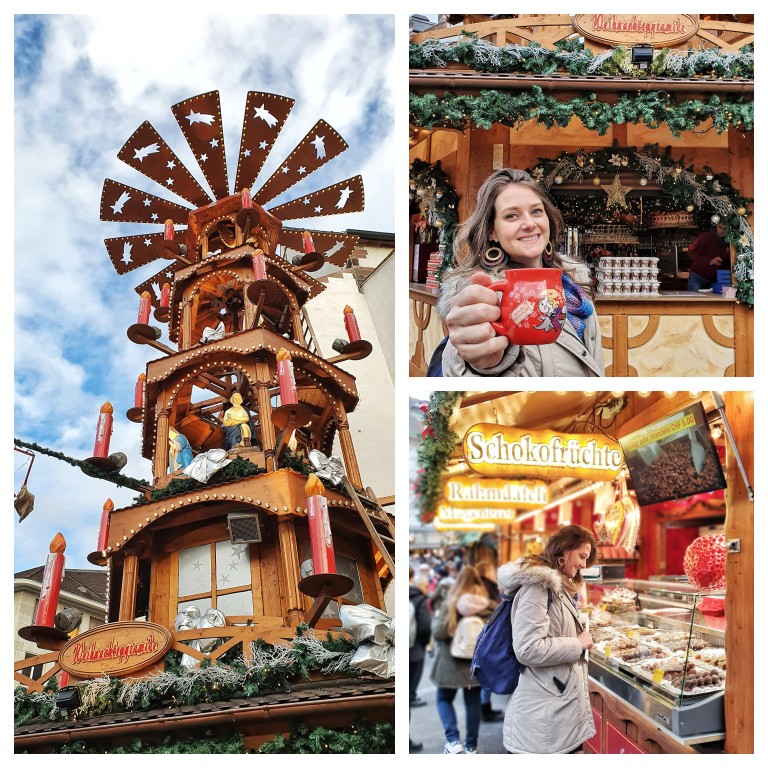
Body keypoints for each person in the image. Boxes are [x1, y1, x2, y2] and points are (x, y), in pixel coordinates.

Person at [437, 168, 603, 377]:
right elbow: (464, 373)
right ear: (492, 231)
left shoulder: (573, 283)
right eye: (511, 216)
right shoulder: (484, 298)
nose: (529, 224)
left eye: (536, 211)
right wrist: (482, 365)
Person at [497, 525, 598, 754]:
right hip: (541, 723)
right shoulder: (538, 586)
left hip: (555, 711)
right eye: (582, 556)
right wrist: (578, 643)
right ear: (563, 552)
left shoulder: (556, 585)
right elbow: (528, 648)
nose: (584, 564)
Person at [430, 565, 494, 754]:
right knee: (473, 702)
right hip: (475, 665)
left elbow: (438, 632)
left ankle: (453, 742)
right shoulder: (487, 606)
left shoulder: (451, 602)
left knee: (443, 698)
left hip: (449, 662)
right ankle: (471, 746)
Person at [409, 567, 432, 752]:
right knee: (407, 696)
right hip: (415, 651)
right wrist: (422, 643)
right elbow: (425, 626)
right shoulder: (419, 598)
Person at [686, 223, 730, 290]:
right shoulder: (705, 236)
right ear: (716, 226)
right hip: (698, 276)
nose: (722, 231)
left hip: (717, 279)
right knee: (695, 299)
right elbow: (691, 252)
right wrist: (709, 261)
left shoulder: (730, 240)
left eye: (725, 228)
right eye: (720, 227)